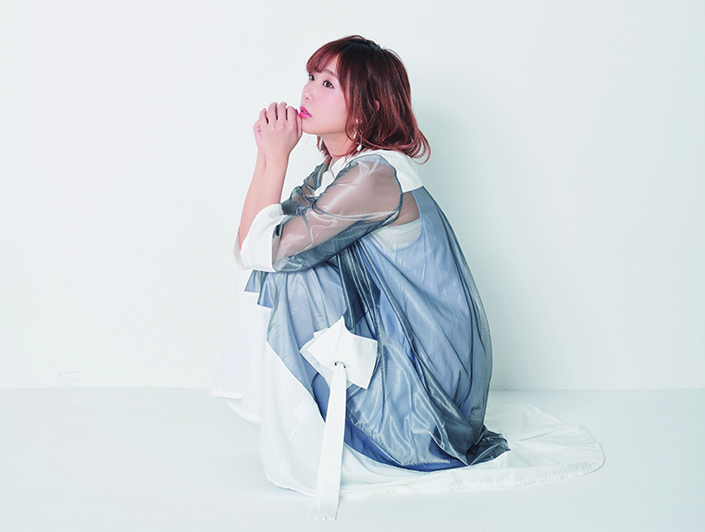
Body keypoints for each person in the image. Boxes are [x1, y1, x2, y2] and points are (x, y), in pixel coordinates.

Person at [211, 36, 603, 520]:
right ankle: (301, 421)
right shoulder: (335, 169)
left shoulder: (373, 175)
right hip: (396, 350)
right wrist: (266, 157)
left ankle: (316, 429)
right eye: (311, 77)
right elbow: (251, 249)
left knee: (292, 273)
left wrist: (275, 160)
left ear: (368, 106)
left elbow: (266, 251)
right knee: (286, 269)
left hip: (425, 395)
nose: (308, 91)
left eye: (328, 83)